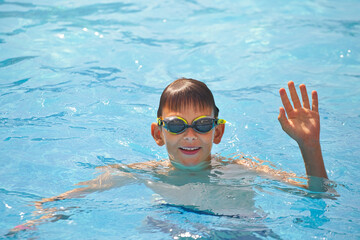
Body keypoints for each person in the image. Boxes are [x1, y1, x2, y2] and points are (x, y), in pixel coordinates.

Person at [8, 78, 330, 234]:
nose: (190, 135)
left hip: (243, 231)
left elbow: (320, 194)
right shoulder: (144, 172)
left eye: (202, 125)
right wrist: (41, 216)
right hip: (173, 227)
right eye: (176, 125)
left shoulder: (242, 169)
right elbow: (80, 195)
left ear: (216, 133)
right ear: (158, 133)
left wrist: (308, 145)